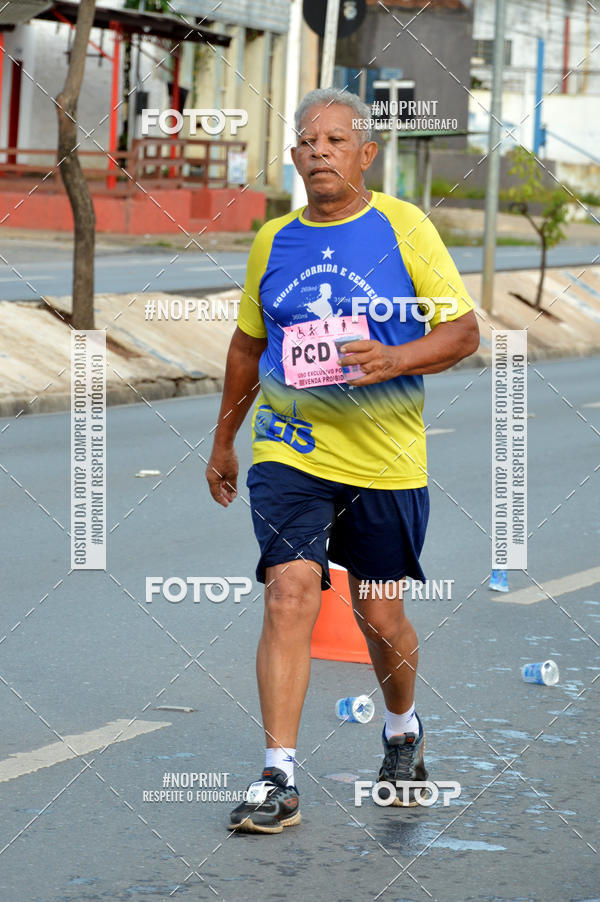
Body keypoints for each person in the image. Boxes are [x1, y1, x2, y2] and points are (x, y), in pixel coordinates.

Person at [206, 88, 479, 834]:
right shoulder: (272, 240)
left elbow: (462, 333)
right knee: (289, 591)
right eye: (307, 140)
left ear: (366, 154)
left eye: (335, 140)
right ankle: (278, 777)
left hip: (386, 459)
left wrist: (395, 358)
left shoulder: (403, 226)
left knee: (378, 613)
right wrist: (225, 440)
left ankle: (402, 730)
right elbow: (247, 346)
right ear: (294, 156)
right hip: (289, 449)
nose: (319, 150)